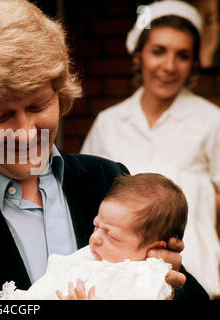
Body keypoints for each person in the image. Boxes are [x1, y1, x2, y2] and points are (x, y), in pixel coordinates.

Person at [0, 0, 208, 301]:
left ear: (60, 92)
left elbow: (190, 295)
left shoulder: (107, 181)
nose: (26, 133)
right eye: (0, 116)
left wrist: (165, 287)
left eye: (38, 105)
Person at [81, 0, 220, 297]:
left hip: (193, 283)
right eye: (159, 51)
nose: (169, 66)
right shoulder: (109, 122)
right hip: (116, 284)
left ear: (193, 63)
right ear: (138, 55)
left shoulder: (211, 121)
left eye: (182, 55)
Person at [0, 173, 187, 300]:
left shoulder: (142, 279)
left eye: (112, 236)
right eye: (96, 226)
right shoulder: (91, 255)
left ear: (156, 248)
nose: (95, 238)